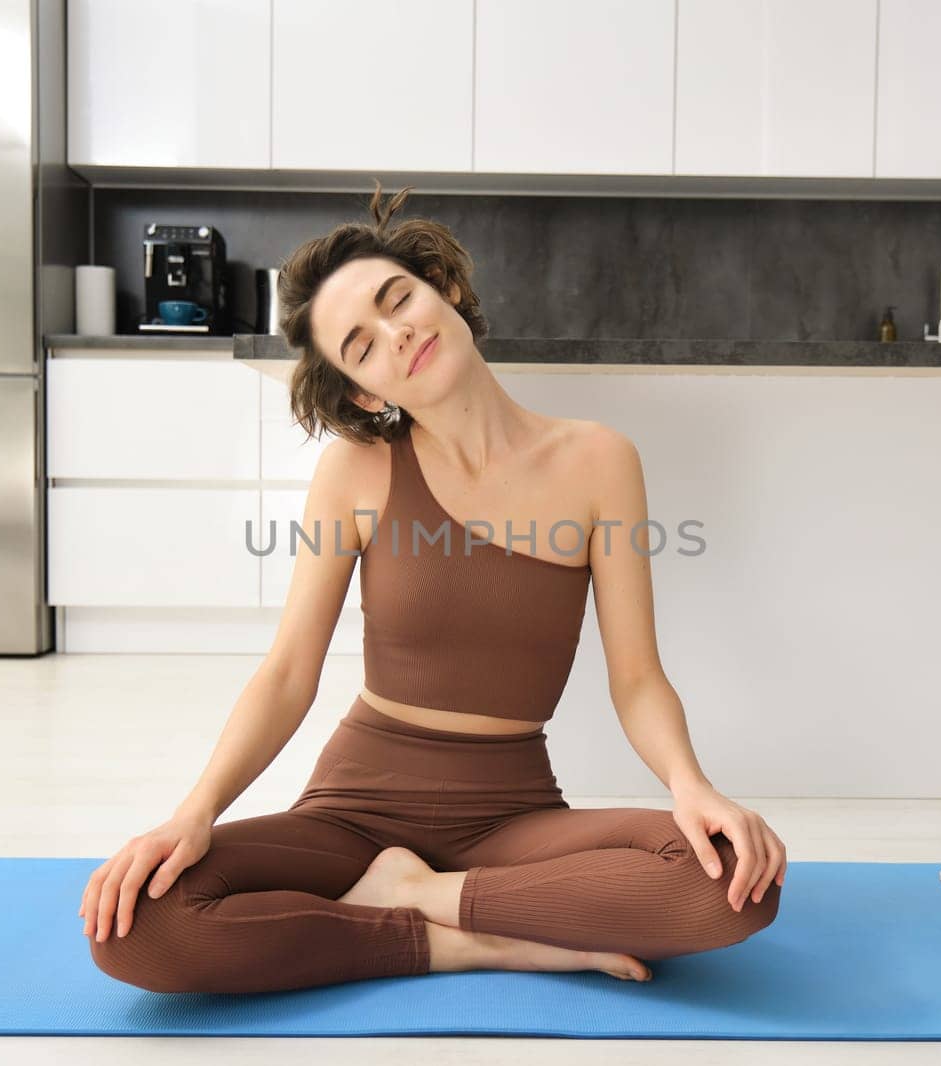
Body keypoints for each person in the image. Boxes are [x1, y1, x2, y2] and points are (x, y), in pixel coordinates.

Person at [80, 181, 786, 995]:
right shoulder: (357, 472)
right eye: (362, 344)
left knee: (729, 877)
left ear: (443, 289)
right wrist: (194, 811)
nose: (398, 331)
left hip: (513, 815)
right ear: (364, 392)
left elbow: (636, 677)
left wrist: (692, 787)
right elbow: (286, 676)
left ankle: (421, 901)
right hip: (354, 814)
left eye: (397, 298)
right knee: (141, 925)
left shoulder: (599, 461)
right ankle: (466, 942)